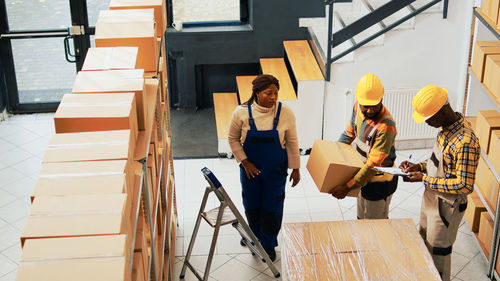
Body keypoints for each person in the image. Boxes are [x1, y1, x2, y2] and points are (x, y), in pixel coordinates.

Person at [399, 85, 480, 281]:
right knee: (425, 245)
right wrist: (418, 166)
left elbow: (464, 185)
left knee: (438, 256)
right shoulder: (445, 129)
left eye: (428, 119)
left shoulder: (465, 142)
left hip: (446, 206)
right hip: (431, 198)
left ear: (443, 111)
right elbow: (438, 162)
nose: (426, 123)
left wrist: (424, 179)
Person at [228, 74, 300, 262]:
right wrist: (245, 161)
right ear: (257, 93)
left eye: (276, 93)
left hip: (275, 172)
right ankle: (254, 236)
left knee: (272, 207)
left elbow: (292, 142)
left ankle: (268, 244)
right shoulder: (241, 113)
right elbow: (233, 139)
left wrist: (296, 168)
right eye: (268, 93)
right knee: (251, 205)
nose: (273, 97)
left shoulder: (286, 113)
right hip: (250, 171)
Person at [330, 73, 398, 220]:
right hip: (362, 176)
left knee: (375, 225)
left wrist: (347, 187)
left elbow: (373, 165)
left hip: (379, 181)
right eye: (366, 106)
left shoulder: (386, 126)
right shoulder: (357, 108)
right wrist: (332, 155)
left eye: (374, 106)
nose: (370, 110)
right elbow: (349, 133)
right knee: (361, 218)